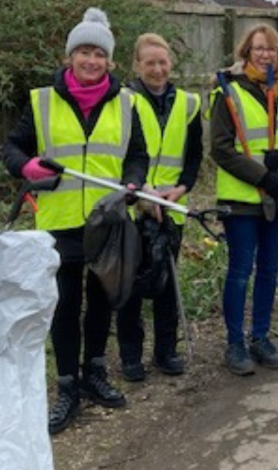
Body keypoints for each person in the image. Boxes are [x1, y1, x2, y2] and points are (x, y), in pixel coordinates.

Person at [2, 8, 149, 434]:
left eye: (99, 54)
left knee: (102, 298)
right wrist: (26, 168)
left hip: (107, 221)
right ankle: (67, 384)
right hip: (60, 220)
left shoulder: (125, 103)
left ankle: (95, 371)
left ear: (110, 61)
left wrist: (134, 182)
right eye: (83, 52)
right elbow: (12, 147)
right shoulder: (42, 100)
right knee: (65, 305)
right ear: (70, 57)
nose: (91, 61)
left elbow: (137, 154)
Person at [209, 23, 278, 376]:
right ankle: (234, 342)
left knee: (269, 271)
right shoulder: (228, 93)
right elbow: (220, 148)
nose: (266, 54)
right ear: (246, 53)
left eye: (271, 49)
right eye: (259, 48)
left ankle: (260, 336)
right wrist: (262, 175)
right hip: (243, 199)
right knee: (239, 271)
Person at [116, 33, 203, 382]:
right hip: (134, 204)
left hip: (171, 205)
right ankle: (130, 355)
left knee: (167, 280)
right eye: (149, 62)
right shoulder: (123, 101)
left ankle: (166, 351)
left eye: (162, 62)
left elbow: (194, 155)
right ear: (137, 65)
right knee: (131, 284)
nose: (157, 68)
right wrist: (140, 193)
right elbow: (120, 153)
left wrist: (181, 189)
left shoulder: (188, 103)